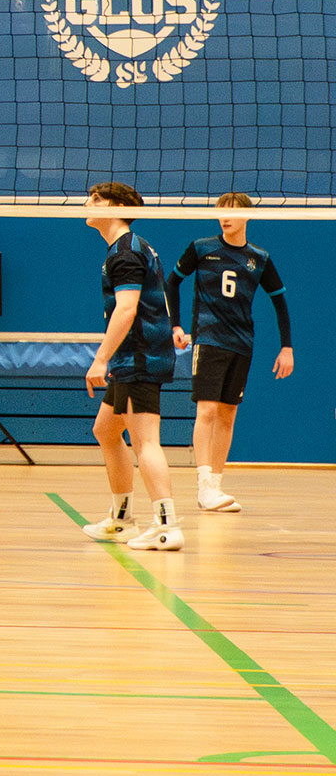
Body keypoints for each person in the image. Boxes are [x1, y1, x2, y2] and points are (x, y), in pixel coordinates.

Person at [166, 192, 293, 514]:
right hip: (209, 341)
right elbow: (171, 283)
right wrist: (176, 326)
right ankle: (203, 484)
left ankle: (216, 487)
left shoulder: (259, 258)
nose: (225, 217)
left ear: (248, 216)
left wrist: (286, 347)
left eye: (233, 212)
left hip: (242, 343)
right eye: (221, 211)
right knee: (206, 410)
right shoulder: (202, 248)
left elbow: (279, 301)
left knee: (227, 413)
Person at [80, 183, 183, 552]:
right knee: (106, 430)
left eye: (95, 199)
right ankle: (122, 519)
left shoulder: (125, 252)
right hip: (131, 357)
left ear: (118, 206)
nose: (86, 204)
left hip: (140, 356)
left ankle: (166, 526)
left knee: (145, 441)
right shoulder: (124, 249)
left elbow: (127, 309)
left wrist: (100, 358)